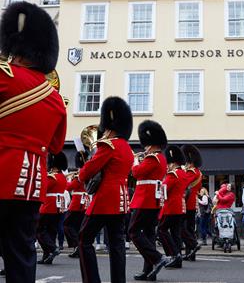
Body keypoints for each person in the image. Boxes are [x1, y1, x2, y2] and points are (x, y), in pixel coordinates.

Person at [0, 1, 67, 282]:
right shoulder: (55, 99)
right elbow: (55, 145)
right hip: (30, 187)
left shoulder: (5, 77)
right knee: (22, 255)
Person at [78, 96, 133, 283]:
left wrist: (80, 174)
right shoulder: (126, 148)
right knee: (117, 244)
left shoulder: (108, 145)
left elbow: (89, 170)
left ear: (109, 126)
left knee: (84, 239)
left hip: (105, 200)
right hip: (121, 202)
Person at [129, 120, 169, 281]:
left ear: (151, 145)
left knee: (133, 231)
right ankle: (149, 271)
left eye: (146, 145)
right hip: (153, 200)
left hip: (145, 200)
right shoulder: (160, 158)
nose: (144, 148)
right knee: (149, 234)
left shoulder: (152, 158)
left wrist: (134, 160)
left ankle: (158, 258)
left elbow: (136, 173)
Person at [157, 145, 189, 269]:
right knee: (175, 233)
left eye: (169, 163)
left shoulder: (172, 175)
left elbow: (163, 190)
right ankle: (178, 258)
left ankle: (174, 255)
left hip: (170, 207)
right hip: (179, 208)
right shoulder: (182, 174)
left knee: (161, 230)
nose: (168, 165)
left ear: (173, 163)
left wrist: (163, 177)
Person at [36, 152, 68, 264]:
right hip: (58, 207)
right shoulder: (62, 177)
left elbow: (42, 189)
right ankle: (47, 256)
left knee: (38, 229)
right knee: (51, 231)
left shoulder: (51, 177)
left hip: (49, 206)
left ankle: (52, 248)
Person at [64, 152, 90, 258]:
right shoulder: (87, 173)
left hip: (77, 203)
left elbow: (69, 187)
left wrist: (66, 179)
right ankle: (78, 248)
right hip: (85, 203)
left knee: (67, 225)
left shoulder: (80, 175)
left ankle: (76, 245)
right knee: (78, 227)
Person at [181, 144, 203, 261]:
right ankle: (190, 254)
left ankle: (191, 250)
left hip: (188, 203)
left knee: (185, 228)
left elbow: (183, 183)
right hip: (192, 202)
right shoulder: (197, 172)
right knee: (189, 228)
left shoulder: (192, 172)